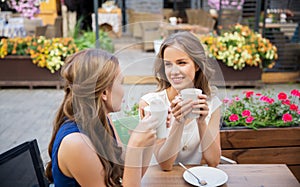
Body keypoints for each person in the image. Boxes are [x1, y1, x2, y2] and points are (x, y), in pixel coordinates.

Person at [45, 49, 158, 186]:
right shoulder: (76, 143)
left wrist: (150, 136)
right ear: (104, 92)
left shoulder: (104, 120)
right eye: (121, 83)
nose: (123, 91)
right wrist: (134, 147)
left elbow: (128, 175)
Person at [139, 31, 222, 171]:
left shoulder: (211, 104)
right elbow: (165, 165)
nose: (174, 71)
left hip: (194, 180)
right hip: (157, 179)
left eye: (181, 63)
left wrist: (202, 122)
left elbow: (213, 161)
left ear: (197, 65)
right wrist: (178, 122)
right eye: (168, 64)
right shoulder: (151, 104)